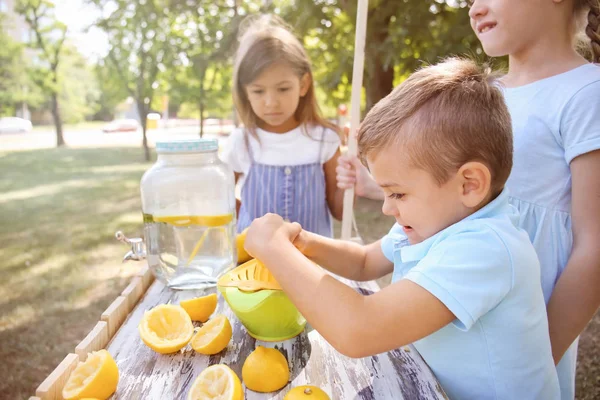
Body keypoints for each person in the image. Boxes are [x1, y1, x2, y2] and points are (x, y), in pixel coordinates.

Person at [244, 58, 560, 400]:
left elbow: (359, 329)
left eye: (398, 193)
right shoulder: (437, 222)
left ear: (469, 184)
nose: (386, 207)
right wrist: (304, 243)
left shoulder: (487, 247)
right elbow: (365, 262)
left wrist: (274, 250)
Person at [337, 2, 600, 397]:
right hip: (449, 302)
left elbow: (594, 244)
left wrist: (538, 354)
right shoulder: (482, 95)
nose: (475, 8)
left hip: (519, 328)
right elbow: (454, 195)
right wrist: (380, 186)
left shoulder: (587, 92)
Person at [221, 15, 343, 237]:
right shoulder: (242, 142)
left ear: (303, 84)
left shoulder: (324, 139)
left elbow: (341, 211)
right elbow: (221, 197)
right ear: (245, 91)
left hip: (313, 267)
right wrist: (246, 220)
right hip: (255, 267)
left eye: (283, 89)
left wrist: (350, 179)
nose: (271, 102)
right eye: (258, 91)